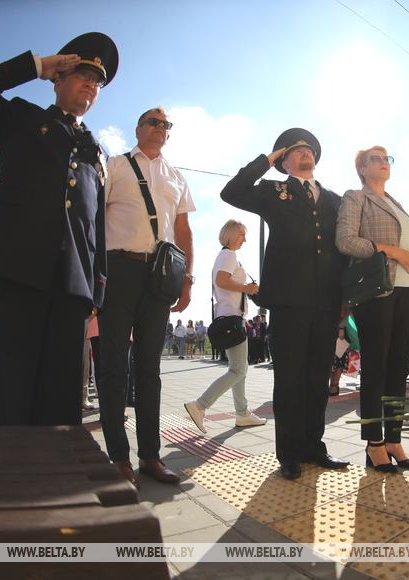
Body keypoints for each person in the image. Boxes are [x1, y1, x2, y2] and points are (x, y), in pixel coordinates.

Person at [0, 33, 117, 426]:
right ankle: (11, 481)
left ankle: (55, 482)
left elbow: (95, 223)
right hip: (18, 273)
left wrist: (97, 286)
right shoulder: (23, 120)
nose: (90, 84)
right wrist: (36, 65)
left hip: (72, 287)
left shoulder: (98, 152)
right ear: (58, 79)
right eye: (81, 73)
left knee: (63, 402)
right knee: (14, 394)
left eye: (96, 81)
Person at [221, 128, 348, 480]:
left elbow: (343, 249)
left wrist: (345, 299)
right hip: (289, 301)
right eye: (296, 150)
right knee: (290, 379)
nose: (304, 153)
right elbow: (230, 192)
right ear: (285, 160)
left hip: (326, 302)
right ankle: (289, 453)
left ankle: (313, 446)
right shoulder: (274, 191)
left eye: (309, 149)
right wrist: (267, 160)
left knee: (316, 379)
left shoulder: (336, 199)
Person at [97, 106, 195, 487]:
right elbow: (95, 219)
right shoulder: (115, 165)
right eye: (153, 121)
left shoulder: (176, 176)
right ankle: (118, 458)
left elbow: (183, 230)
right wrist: (95, 274)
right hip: (118, 269)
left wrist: (187, 278)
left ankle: (150, 456)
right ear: (138, 128)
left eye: (166, 124)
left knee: (149, 369)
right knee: (113, 367)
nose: (160, 127)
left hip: (159, 276)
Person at [336, 145, 409, 473]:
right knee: (376, 367)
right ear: (362, 168)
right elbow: (346, 240)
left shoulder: (396, 203)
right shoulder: (356, 198)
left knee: (398, 368)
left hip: (406, 291)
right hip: (378, 291)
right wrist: (390, 251)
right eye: (376, 158)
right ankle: (374, 444)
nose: (384, 163)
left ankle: (394, 439)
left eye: (387, 158)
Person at [185, 220, 267, 433]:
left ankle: (242, 413)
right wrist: (247, 288)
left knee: (239, 369)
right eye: (242, 234)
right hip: (231, 318)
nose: (245, 239)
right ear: (231, 235)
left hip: (229, 317)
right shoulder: (228, 255)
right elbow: (222, 281)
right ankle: (200, 405)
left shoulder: (225, 255)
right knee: (238, 370)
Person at [329, 326, 350, 396]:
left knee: (339, 356)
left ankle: (334, 385)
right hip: (330, 327)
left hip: (339, 327)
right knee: (332, 358)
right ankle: (332, 385)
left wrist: (341, 328)